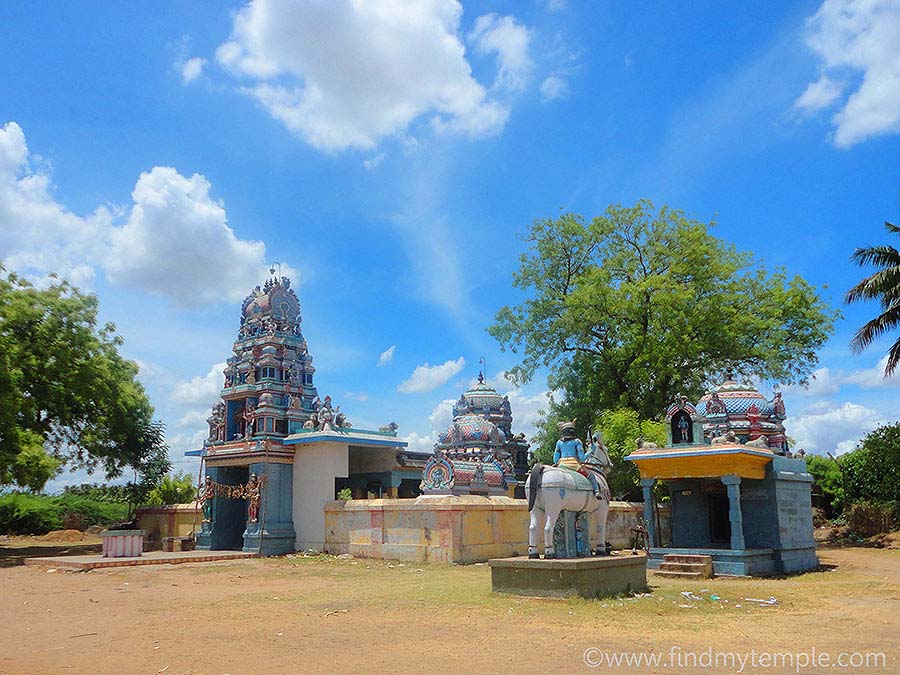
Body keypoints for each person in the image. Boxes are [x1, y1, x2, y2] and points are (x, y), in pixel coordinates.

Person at [553, 421, 602, 499]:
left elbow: (555, 460)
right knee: (591, 476)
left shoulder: (559, 442)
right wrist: (590, 451)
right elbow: (582, 458)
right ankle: (596, 492)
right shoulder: (576, 442)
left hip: (561, 464)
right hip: (574, 465)